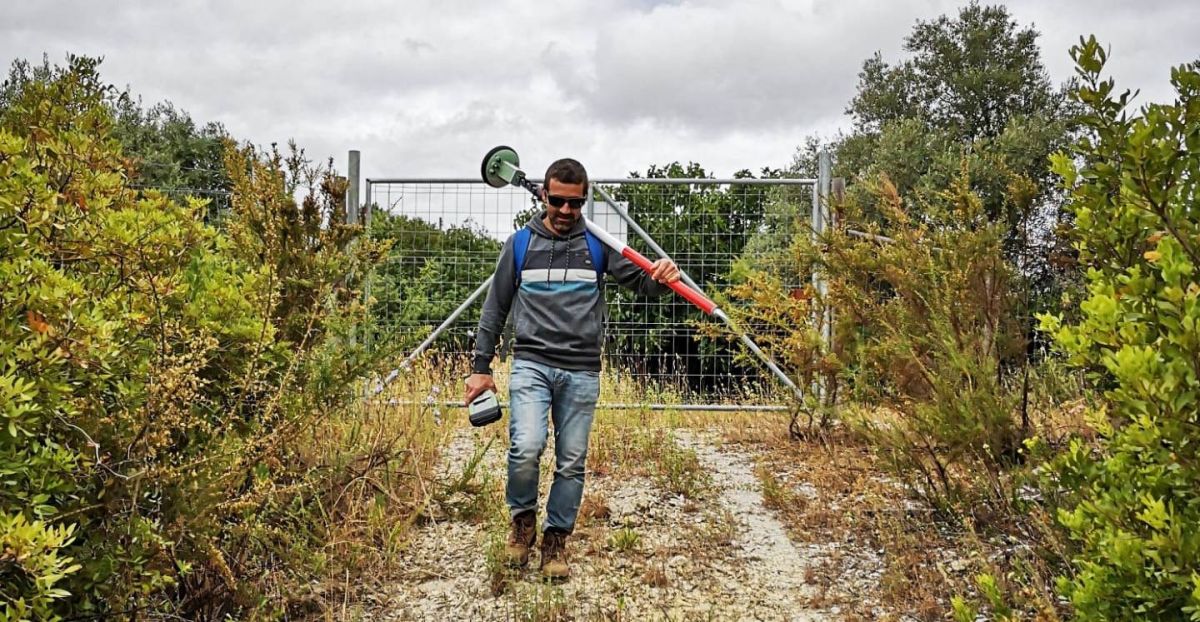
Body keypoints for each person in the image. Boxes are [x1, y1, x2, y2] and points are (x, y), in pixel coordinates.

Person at [464, 158, 680, 580]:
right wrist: (480, 366)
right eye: (558, 201)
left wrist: (661, 276)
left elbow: (642, 284)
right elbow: (495, 309)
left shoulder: (599, 245)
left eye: (575, 203)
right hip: (531, 363)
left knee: (572, 461)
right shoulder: (520, 245)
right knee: (526, 447)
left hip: (582, 369)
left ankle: (556, 539)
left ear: (584, 200)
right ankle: (522, 523)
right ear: (544, 195)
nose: (566, 211)